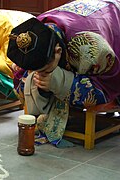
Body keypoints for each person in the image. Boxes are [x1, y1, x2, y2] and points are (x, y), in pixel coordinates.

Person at [7, 0, 120, 147]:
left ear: (58, 51)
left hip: (111, 17)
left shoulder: (92, 48)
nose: (40, 74)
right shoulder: (33, 35)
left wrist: (62, 83)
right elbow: (19, 83)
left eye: (45, 69)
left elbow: (110, 83)